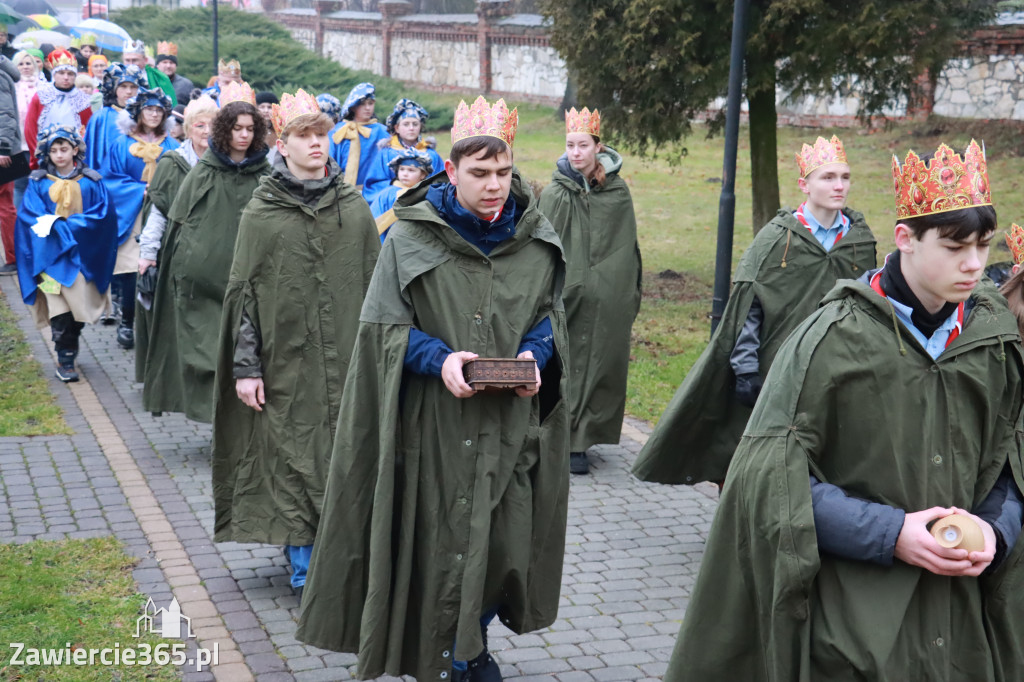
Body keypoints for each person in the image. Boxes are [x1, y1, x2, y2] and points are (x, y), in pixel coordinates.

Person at [662, 139, 1024, 681]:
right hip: (857, 626)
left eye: (982, 246)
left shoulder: (993, 341)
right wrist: (890, 532)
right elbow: (767, 483)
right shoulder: (829, 340)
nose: (974, 265)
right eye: (954, 247)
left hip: (965, 623)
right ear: (905, 238)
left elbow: (1013, 458)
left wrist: (996, 534)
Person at [296, 96, 570, 682]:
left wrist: (535, 354)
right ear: (451, 171)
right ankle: (456, 658)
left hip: (509, 428)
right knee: (437, 541)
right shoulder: (410, 237)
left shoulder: (536, 239)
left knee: (501, 547)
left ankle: (472, 642)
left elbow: (552, 318)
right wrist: (440, 359)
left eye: (503, 172)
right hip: (433, 429)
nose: (494, 185)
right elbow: (384, 328)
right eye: (479, 174)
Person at [632, 135, 877, 487]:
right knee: (750, 458)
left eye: (845, 177)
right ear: (804, 185)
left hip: (834, 371)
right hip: (772, 369)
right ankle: (738, 530)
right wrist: (746, 369)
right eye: (828, 177)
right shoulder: (776, 239)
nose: (839, 186)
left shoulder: (859, 242)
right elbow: (748, 309)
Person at [210, 88, 379, 597]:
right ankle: (306, 567)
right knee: (294, 458)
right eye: (304, 136)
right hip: (286, 362)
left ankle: (346, 557)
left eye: (322, 135)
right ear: (282, 145)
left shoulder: (353, 207)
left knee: (344, 456)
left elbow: (375, 285)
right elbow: (244, 295)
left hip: (349, 357)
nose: (316, 145)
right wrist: (246, 369)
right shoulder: (262, 212)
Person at [142, 83, 268, 423]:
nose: (243, 135)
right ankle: (220, 420)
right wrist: (151, 255)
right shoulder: (204, 170)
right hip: (206, 283)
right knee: (209, 351)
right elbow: (177, 219)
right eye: (237, 128)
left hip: (255, 278)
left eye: (250, 129)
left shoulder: (267, 174)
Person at [538, 107, 642, 475]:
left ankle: (583, 436)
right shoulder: (554, 193)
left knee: (601, 361)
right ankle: (560, 435)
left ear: (598, 146)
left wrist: (622, 290)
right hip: (565, 293)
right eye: (570, 145)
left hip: (607, 295)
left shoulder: (616, 192)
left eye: (583, 145)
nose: (576, 152)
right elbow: (541, 246)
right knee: (565, 361)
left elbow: (626, 246)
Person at [13, 124, 118, 380]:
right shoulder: (38, 183)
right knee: (58, 309)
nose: (60, 155)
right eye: (54, 150)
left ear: (75, 150)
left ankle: (72, 340)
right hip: (50, 259)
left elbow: (103, 215)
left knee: (76, 309)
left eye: (64, 149)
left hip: (81, 256)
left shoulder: (91, 182)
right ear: (47, 154)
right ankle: (65, 358)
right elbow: (29, 214)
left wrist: (72, 225)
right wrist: (52, 225)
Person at [134, 95, 218, 384]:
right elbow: (157, 211)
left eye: (213, 125)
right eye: (200, 125)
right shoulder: (173, 162)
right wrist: (148, 253)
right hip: (177, 250)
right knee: (177, 314)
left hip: (215, 254)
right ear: (188, 128)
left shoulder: (227, 164)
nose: (207, 131)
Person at [100, 86, 178, 350]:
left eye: (159, 110)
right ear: (138, 112)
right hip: (131, 213)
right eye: (149, 109)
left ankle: (157, 325)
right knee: (131, 269)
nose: (154, 114)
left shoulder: (172, 145)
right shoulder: (121, 143)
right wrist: (139, 190)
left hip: (163, 212)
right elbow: (109, 179)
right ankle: (127, 321)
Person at [362, 97, 442, 201]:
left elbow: (441, 183)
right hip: (392, 203)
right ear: (397, 128)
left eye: (415, 124)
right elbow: (373, 184)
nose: (411, 128)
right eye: (406, 124)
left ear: (420, 127)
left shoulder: (431, 154)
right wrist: (395, 185)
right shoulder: (386, 154)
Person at [23, 49, 92, 170]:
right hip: (46, 157)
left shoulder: (84, 101)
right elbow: (30, 128)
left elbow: (88, 133)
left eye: (70, 74)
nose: (66, 77)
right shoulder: (41, 96)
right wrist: (38, 155)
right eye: (61, 73)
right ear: (54, 74)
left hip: (74, 160)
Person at [83, 63, 145, 181]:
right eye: (123, 86)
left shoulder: (145, 117)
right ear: (114, 88)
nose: (129, 92)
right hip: (106, 178)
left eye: (133, 87)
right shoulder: (101, 117)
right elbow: (90, 153)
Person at [327, 81, 388, 194]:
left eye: (370, 103)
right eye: (362, 104)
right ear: (353, 106)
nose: (367, 108)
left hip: (372, 193)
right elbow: (329, 161)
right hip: (339, 191)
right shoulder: (338, 131)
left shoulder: (383, 133)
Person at [368, 146, 432, 241]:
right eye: (402, 169)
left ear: (423, 174)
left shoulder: (427, 194)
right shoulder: (387, 194)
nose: (405, 174)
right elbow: (375, 220)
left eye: (411, 170)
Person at [11, 50, 40, 212]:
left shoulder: (44, 86)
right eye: (21, 64)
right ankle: (19, 223)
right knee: (20, 186)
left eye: (28, 63)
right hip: (19, 145)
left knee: (38, 184)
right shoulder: (11, 87)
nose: (25, 67)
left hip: (39, 145)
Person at [0, 54, 19, 275]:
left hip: (4, 152)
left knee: (5, 208)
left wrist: (3, 148)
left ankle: (13, 258)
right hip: (6, 149)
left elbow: (5, 114)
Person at [155, 41, 192, 105]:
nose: (168, 66)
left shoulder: (186, 85)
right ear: (158, 65)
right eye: (165, 62)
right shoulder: (149, 82)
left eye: (171, 63)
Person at [255, 91, 278, 161]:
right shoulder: (252, 129)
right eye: (262, 107)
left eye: (269, 107)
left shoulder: (279, 130)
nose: (266, 111)